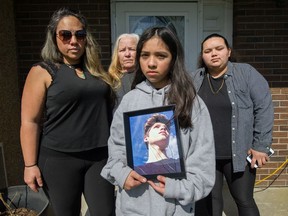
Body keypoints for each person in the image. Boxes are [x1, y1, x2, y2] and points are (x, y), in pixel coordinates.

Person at [101, 26, 215, 216]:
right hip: (132, 207)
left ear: (173, 60)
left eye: (161, 56)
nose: (151, 63)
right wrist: (122, 174)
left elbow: (203, 162)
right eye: (145, 55)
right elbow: (116, 147)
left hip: (176, 208)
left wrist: (178, 189)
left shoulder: (191, 102)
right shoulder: (129, 101)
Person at [20, 8, 116, 216]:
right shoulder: (43, 71)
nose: (74, 41)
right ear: (54, 37)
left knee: (105, 212)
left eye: (80, 35)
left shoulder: (96, 72)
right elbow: (30, 121)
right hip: (59, 159)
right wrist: (30, 165)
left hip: (99, 157)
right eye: (66, 34)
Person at [192, 33, 274, 216]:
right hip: (205, 154)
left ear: (228, 52)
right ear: (202, 56)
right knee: (211, 201)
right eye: (208, 51)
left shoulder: (246, 73)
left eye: (219, 49)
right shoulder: (194, 79)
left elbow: (264, 107)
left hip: (239, 152)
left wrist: (260, 146)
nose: (214, 54)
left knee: (244, 200)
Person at [108, 33, 139, 106]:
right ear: (117, 54)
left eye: (132, 49)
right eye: (122, 50)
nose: (127, 54)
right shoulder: (109, 80)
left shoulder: (146, 78)